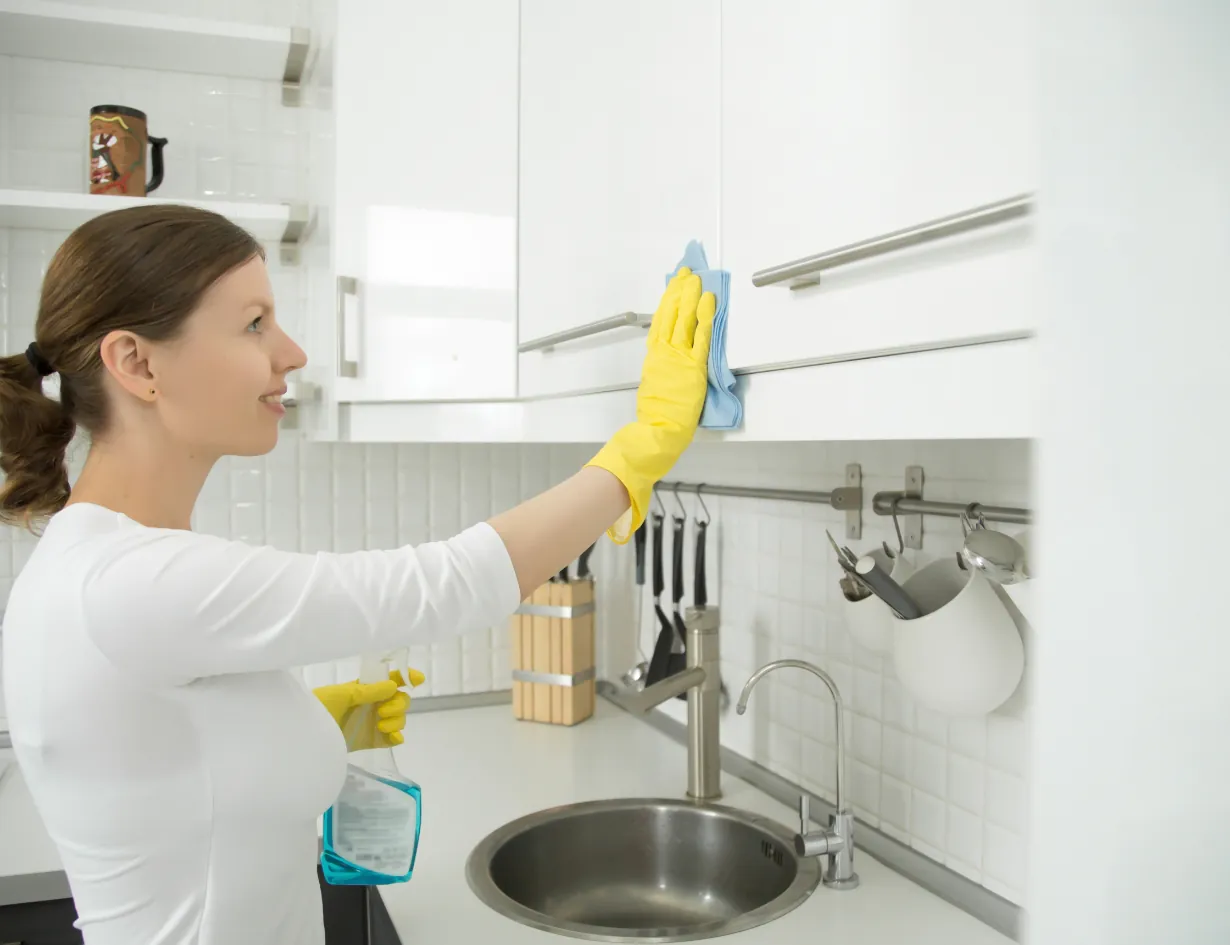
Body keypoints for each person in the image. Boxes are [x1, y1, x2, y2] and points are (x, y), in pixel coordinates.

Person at [0, 204, 715, 944]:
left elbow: (166, 767)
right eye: (254, 324)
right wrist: (645, 445)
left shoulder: (96, 564)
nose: (292, 352)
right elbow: (446, 584)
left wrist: (289, 723)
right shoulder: (127, 583)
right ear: (137, 363)